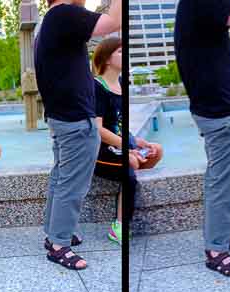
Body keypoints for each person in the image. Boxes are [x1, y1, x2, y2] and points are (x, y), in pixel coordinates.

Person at [177, 0, 230, 277]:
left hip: (220, 109)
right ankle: (216, 250)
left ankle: (221, 236)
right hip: (220, 111)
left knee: (224, 180)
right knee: (224, 183)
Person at [34, 0, 120, 271]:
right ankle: (60, 244)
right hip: (74, 119)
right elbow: (113, 23)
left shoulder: (51, 20)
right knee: (72, 184)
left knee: (61, 178)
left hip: (63, 116)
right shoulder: (64, 14)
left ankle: (54, 233)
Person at [92, 37, 153, 244]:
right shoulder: (97, 87)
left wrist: (137, 142)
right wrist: (127, 150)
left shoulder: (121, 84)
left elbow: (120, 124)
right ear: (107, 59)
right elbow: (98, 129)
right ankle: (119, 225)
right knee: (130, 168)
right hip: (101, 151)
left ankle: (133, 161)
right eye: (120, 52)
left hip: (119, 145)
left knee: (156, 151)